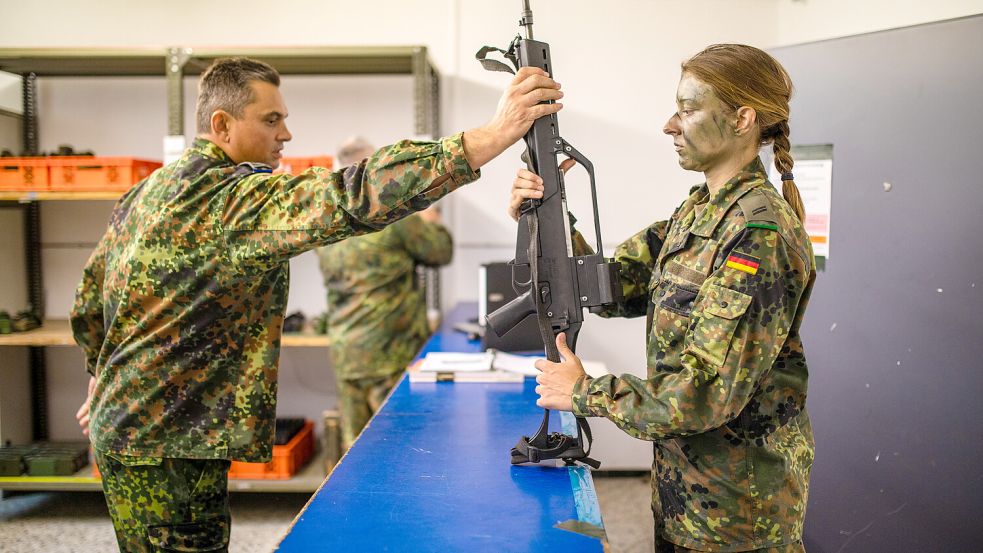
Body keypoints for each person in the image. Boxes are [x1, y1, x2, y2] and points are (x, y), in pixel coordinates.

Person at [71, 56, 563, 553]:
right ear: (221, 125)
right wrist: (488, 138)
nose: (285, 133)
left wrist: (103, 377)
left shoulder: (146, 192)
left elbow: (91, 300)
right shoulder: (228, 200)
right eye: (270, 119)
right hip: (167, 439)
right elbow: (351, 195)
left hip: (140, 428)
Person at [509, 44, 815, 552]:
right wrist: (549, 218)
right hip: (685, 495)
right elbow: (612, 288)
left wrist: (586, 391)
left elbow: (706, 393)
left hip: (738, 517)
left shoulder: (758, 233)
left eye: (688, 110)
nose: (670, 125)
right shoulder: (700, 211)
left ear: (742, 119)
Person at [317, 136, 453, 450]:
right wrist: (431, 218)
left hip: (346, 350)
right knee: (397, 447)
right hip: (389, 351)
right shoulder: (391, 219)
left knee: (354, 451)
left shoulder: (326, 219)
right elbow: (440, 252)